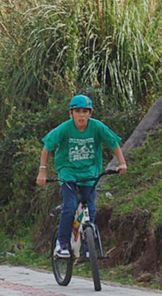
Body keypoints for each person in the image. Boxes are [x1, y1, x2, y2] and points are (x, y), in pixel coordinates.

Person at [36, 94, 127, 258]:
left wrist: (122, 163)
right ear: (71, 113)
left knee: (90, 208)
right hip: (68, 172)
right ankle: (62, 243)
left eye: (85, 111)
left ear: (90, 113)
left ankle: (87, 245)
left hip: (90, 173)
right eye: (78, 111)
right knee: (70, 206)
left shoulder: (97, 127)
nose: (82, 115)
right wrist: (42, 171)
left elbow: (113, 143)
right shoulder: (64, 129)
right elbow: (47, 147)